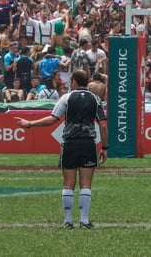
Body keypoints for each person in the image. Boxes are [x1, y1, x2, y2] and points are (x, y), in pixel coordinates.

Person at [17, 70, 108, 229]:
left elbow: (52, 119)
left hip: (70, 143)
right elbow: (103, 125)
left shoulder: (66, 98)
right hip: (88, 143)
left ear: (73, 81)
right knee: (86, 184)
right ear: (87, 81)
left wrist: (30, 123)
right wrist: (105, 147)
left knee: (68, 183)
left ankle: (68, 221)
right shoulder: (96, 99)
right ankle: (84, 220)